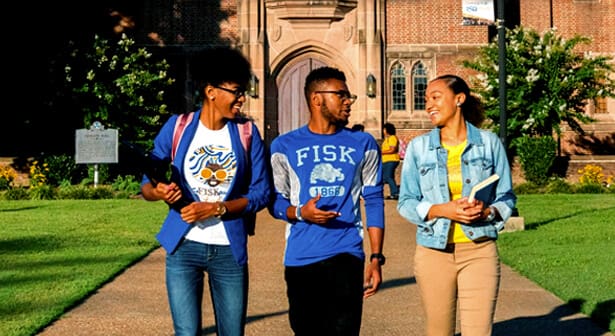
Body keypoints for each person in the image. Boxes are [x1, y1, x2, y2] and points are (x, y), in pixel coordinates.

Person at [140, 47, 271, 336]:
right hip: (184, 247)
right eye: (236, 91)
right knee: (186, 333)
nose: (242, 99)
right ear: (211, 91)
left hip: (228, 250)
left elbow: (262, 192)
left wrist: (216, 209)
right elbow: (147, 182)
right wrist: (159, 192)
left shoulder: (247, 133)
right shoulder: (177, 127)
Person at [269, 66, 386, 336]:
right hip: (301, 256)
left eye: (349, 96)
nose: (348, 101)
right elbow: (275, 201)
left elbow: (374, 200)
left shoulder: (363, 143)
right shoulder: (284, 145)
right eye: (341, 95)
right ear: (317, 99)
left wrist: (376, 257)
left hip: (346, 253)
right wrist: (300, 212)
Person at [397, 74, 516, 336]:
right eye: (426, 99)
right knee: (438, 331)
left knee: (478, 332)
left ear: (459, 99)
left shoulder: (489, 143)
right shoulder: (418, 148)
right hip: (433, 253)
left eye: (436, 97)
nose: (429, 105)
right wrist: (442, 210)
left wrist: (488, 211)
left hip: (479, 250)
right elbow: (405, 202)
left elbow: (506, 196)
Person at [381, 122, 400, 200]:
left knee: (388, 177)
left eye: (384, 129)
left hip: (391, 160)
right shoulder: (387, 139)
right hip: (386, 161)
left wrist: (380, 152)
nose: (383, 131)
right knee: (385, 178)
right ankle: (393, 192)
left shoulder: (392, 138)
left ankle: (395, 193)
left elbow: (392, 149)